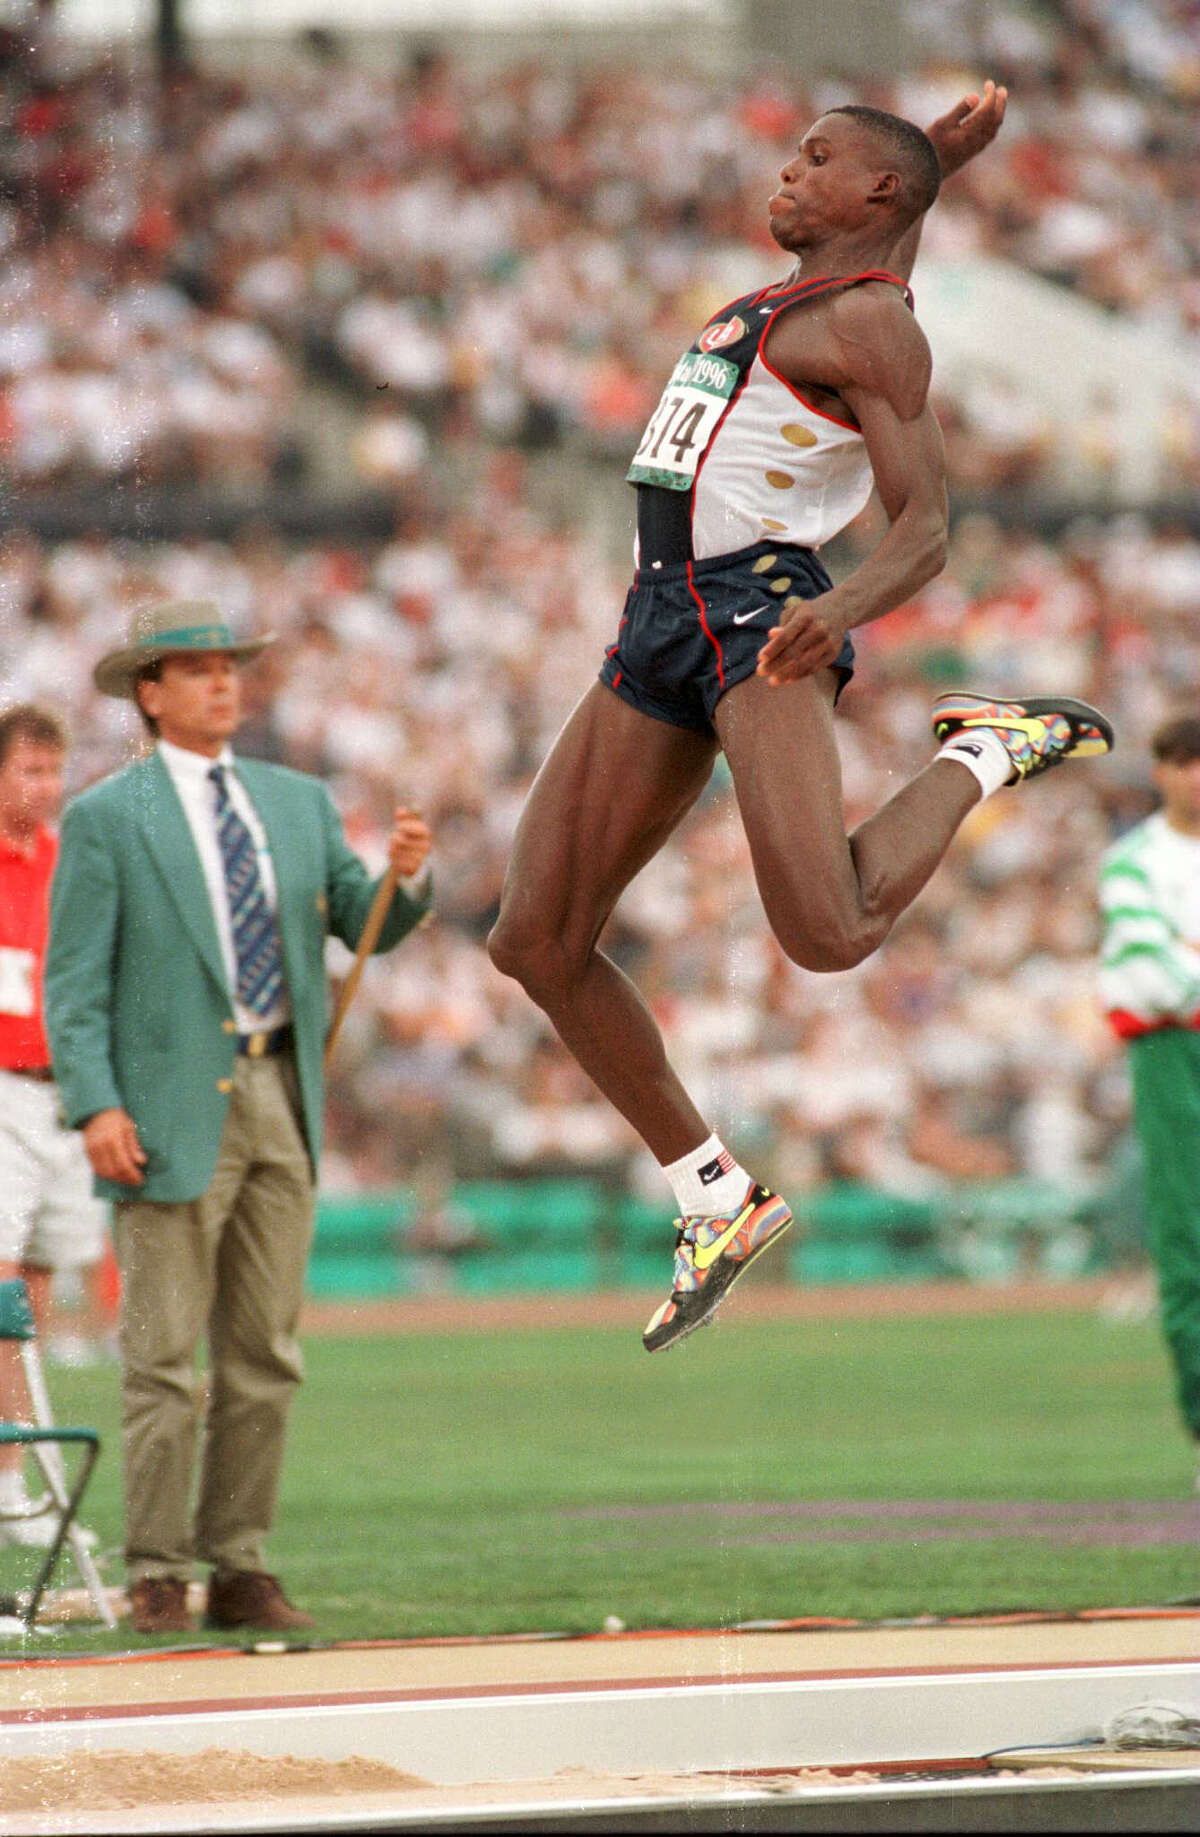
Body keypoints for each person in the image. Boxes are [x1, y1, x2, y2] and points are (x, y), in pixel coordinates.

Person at [488, 85, 1114, 1354]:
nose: (785, 172)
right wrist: (931, 157)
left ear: (871, 195)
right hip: (658, 614)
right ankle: (714, 1193)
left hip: (760, 606)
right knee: (534, 940)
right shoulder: (814, 295)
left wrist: (845, 613)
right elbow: (886, 222)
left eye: (814, 160)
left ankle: (985, 747)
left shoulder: (876, 332)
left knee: (826, 933)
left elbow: (926, 529)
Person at [45, 600, 433, 1635]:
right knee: (164, 1358)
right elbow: (73, 985)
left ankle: (241, 1563)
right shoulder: (105, 816)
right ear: (151, 691)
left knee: (265, 1353)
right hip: (165, 1108)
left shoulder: (297, 802)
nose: (224, 683)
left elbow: (366, 923)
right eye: (198, 668)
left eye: (232, 667)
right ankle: (161, 1567)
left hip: (282, 1095)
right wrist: (95, 1105)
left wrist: (408, 872)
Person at [0, 704, 110, 1547]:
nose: (43, 784)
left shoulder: (65, 859)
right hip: (3, 1084)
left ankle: (16, 1471)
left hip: (58, 1087)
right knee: (3, 1282)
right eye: (27, 769)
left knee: (35, 1280)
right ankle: (14, 1474)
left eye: (51, 769)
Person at [1098, 713, 1200, 1488]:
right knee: (1187, 1239)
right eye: (1180, 760)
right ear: (1160, 771)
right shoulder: (1132, 863)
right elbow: (1151, 974)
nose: (1193, 775)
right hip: (1174, 1053)